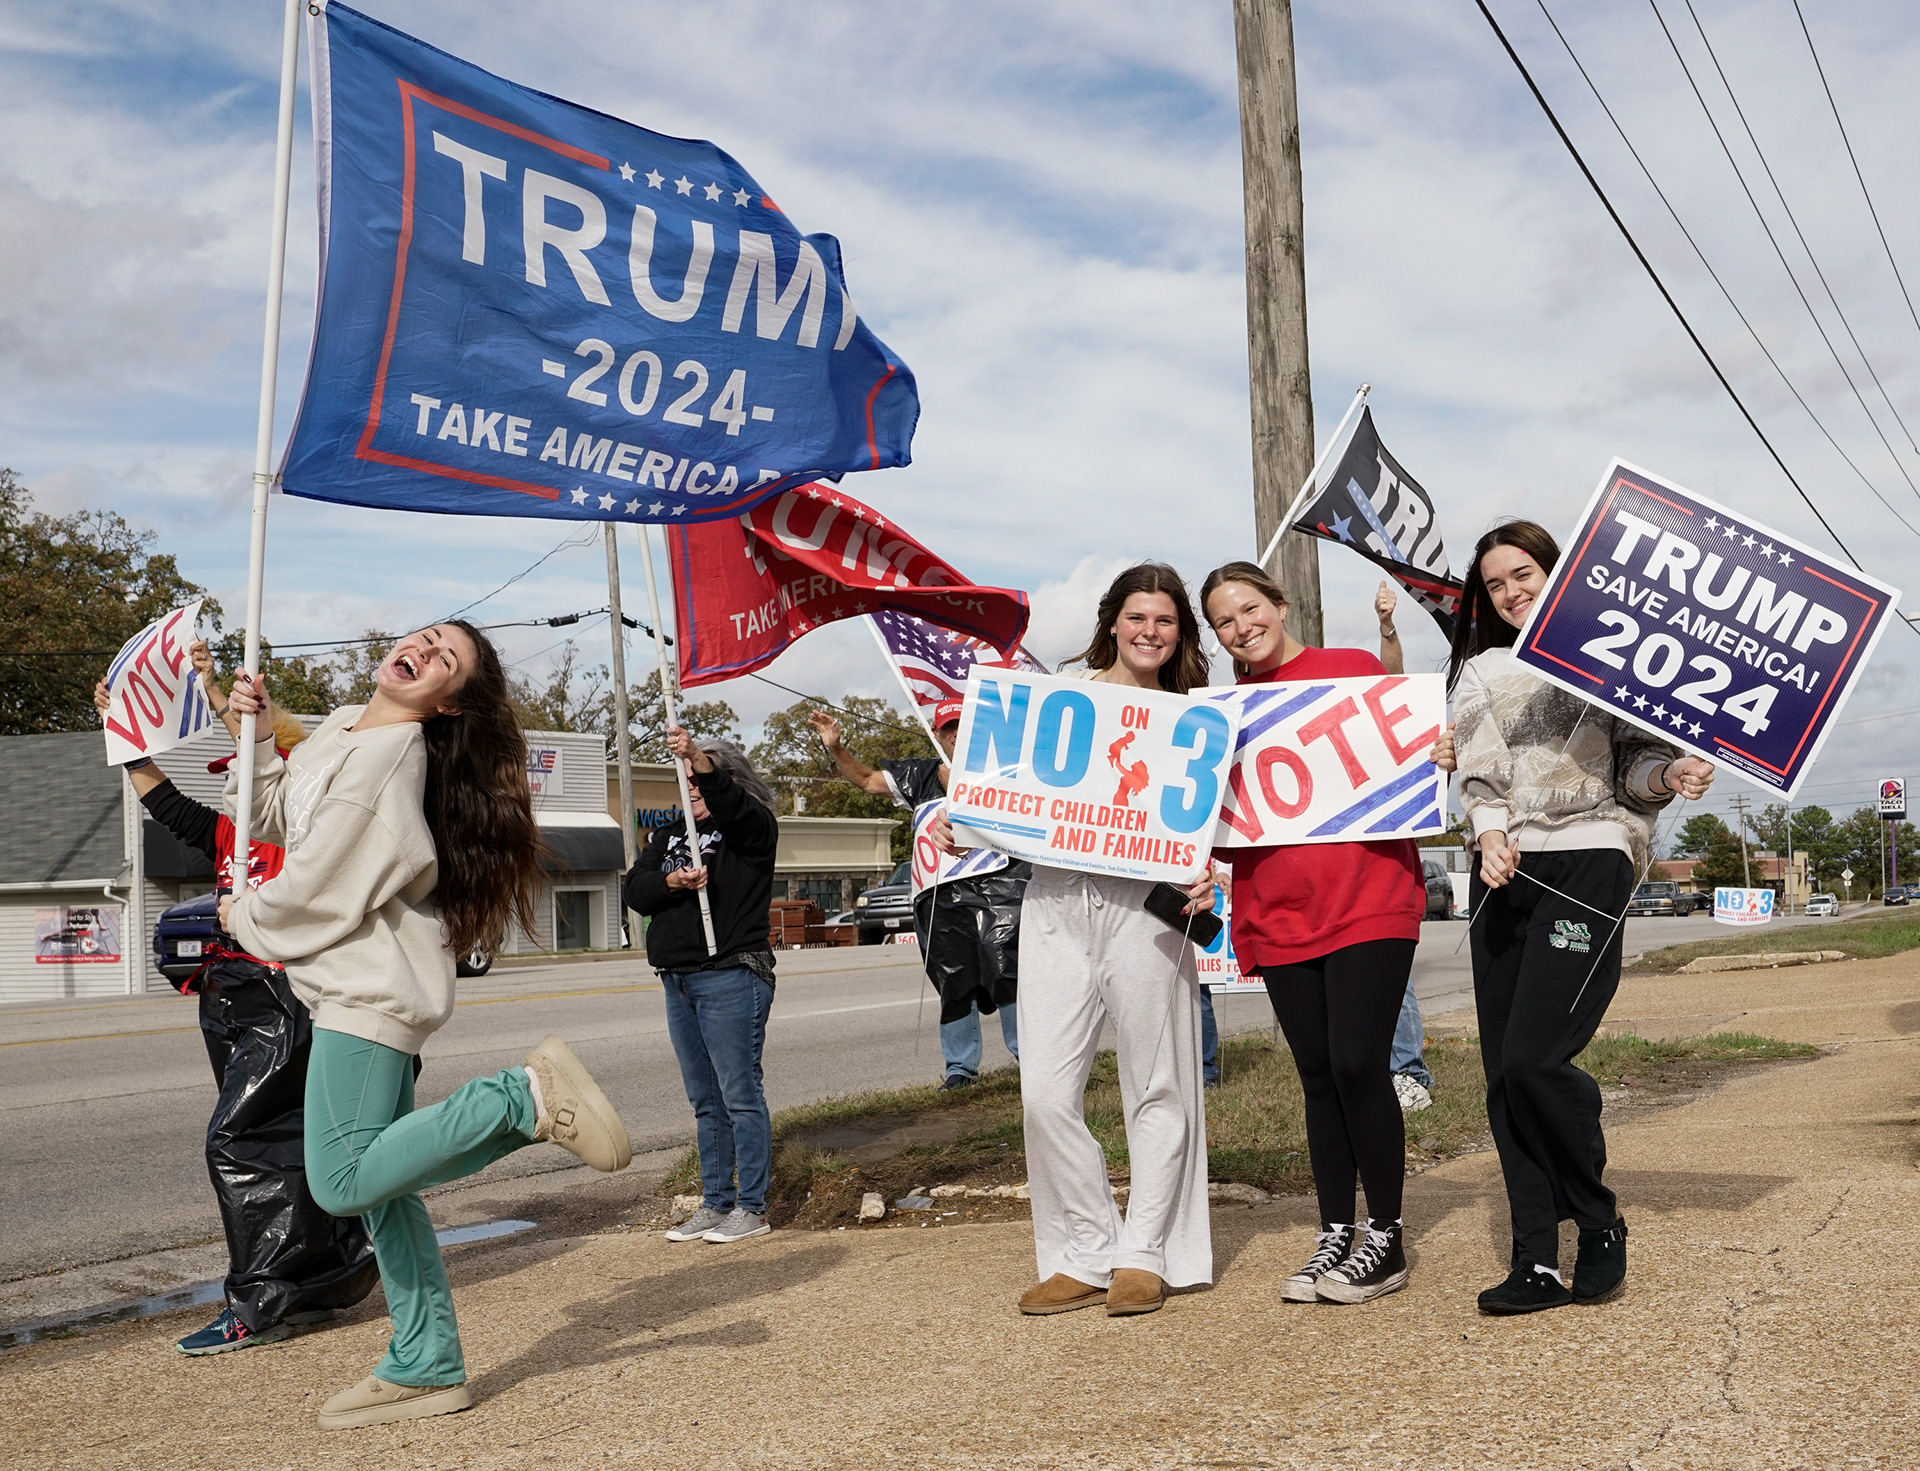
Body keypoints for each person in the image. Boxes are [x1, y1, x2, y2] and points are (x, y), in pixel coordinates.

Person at [222, 623, 633, 1431]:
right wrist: (259, 731)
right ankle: (426, 1358)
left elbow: (315, 887)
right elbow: (274, 813)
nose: (426, 652)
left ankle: (522, 1099)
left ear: (447, 702)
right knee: (384, 1187)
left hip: (366, 995)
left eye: (448, 661)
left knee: (342, 1181)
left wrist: (246, 916)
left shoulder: (388, 760)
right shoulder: (347, 724)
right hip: (353, 988)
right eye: (429, 638)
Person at [1447, 521, 1713, 1313]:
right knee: (1502, 1072)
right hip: (1502, 867)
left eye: (1522, 573)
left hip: (1592, 853)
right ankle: (1534, 1257)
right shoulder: (1481, 669)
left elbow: (1638, 765)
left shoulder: (1612, 655)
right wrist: (1488, 834)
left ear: (1555, 571)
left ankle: (1596, 1219)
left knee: (1535, 1056)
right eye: (1495, 584)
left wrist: (1674, 771)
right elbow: (1479, 770)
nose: (1511, 592)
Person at [94, 644, 378, 1356]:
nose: (238, 785)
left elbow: (275, 745)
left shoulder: (303, 818)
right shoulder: (230, 827)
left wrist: (221, 695)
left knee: (241, 1140)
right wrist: (125, 732)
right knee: (286, 1140)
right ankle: (318, 1280)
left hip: (284, 986)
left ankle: (262, 1297)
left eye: (245, 770)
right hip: (232, 992)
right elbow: (168, 806)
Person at [979, 562, 1217, 1319]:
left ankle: (1146, 1251)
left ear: (1180, 632)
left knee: (1158, 1082)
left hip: (1148, 907)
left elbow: (1224, 825)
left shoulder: (1195, 717)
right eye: (1138, 617)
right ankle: (1082, 1248)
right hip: (1055, 902)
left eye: (1167, 621)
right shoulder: (1059, 695)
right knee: (1045, 1090)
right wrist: (967, 818)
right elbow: (1001, 791)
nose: (1151, 632)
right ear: (1113, 621)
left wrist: (1213, 877)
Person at [1201, 560, 1438, 1306]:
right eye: (1224, 622)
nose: (1243, 627)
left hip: (1369, 895)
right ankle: (1335, 1228)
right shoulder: (1220, 714)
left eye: (1250, 608)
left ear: (1280, 602)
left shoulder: (1349, 669)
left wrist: (1437, 752)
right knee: (1316, 1076)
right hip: (1276, 909)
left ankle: (1388, 1236)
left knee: (1359, 1063)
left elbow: (1404, 751)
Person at [809, 699, 1024, 1090]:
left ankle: (1030, 1057)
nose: (956, 733)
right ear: (937, 734)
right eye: (947, 727)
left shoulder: (1002, 774)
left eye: (963, 725)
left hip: (998, 893)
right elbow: (868, 781)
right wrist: (836, 747)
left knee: (1007, 972)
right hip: (939, 899)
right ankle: (960, 1068)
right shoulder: (919, 776)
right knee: (952, 978)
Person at [625, 729, 781, 1246]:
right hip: (679, 980)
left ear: (728, 778)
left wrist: (699, 760)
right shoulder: (670, 834)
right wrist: (671, 883)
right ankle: (715, 1203)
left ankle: (752, 1207)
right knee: (705, 1099)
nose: (689, 784)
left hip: (732, 973)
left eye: (698, 777)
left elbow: (735, 809)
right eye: (684, 778)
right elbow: (636, 890)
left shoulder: (751, 828)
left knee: (739, 1093)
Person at [1371, 579, 1436, 1113]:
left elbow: (1392, 683)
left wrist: (1388, 628)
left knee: (1394, 979)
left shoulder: (1371, 723)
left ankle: (1408, 1072)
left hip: (1379, 864)